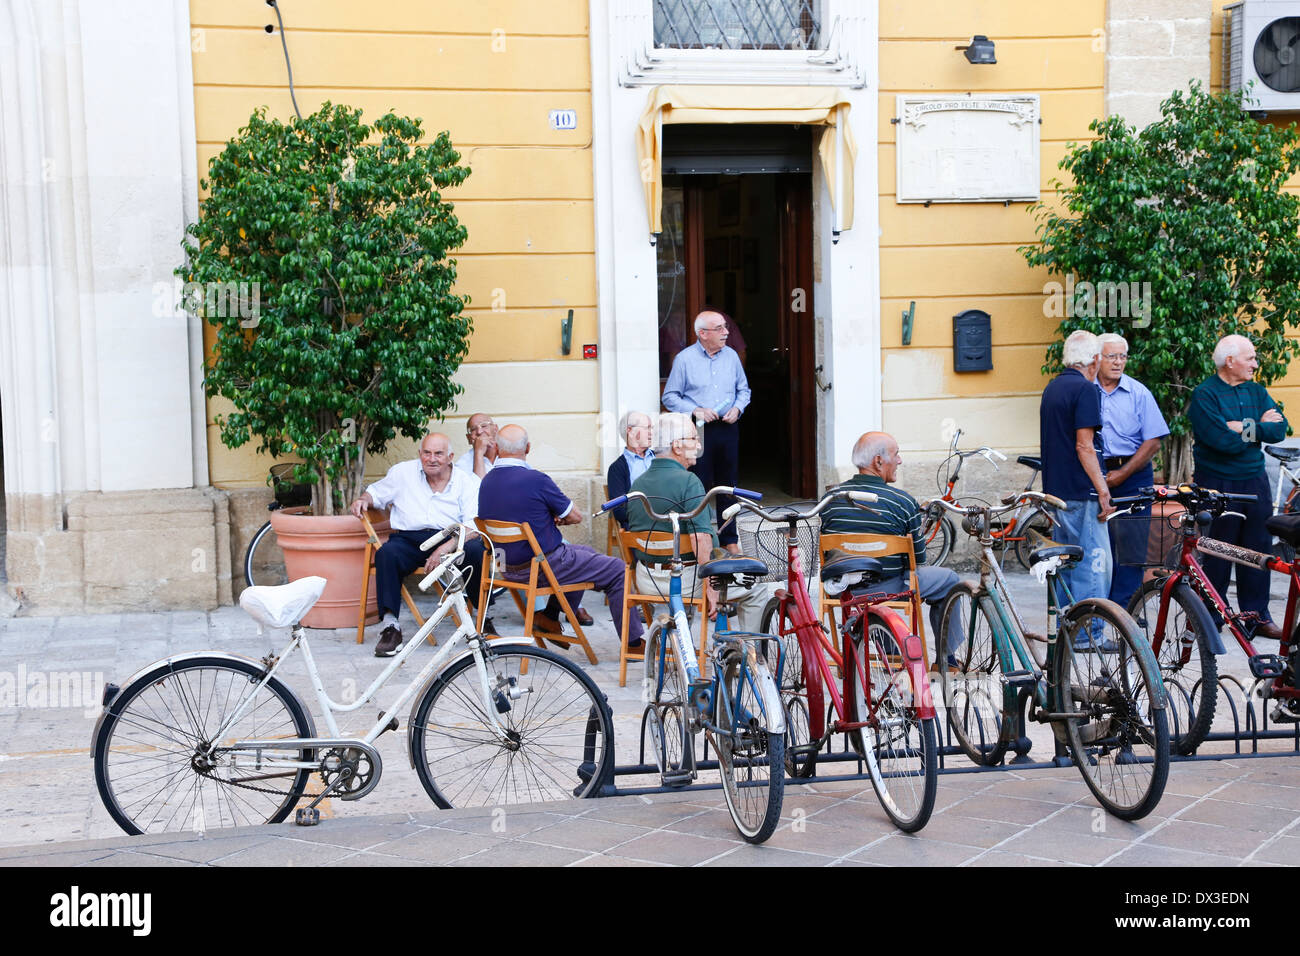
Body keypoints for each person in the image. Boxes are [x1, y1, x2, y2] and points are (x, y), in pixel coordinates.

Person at [477, 424, 644, 649]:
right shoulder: (536, 479)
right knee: (617, 570)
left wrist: (544, 517)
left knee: (586, 554)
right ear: (528, 448)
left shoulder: (486, 482)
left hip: (507, 568)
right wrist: (556, 517)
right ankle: (633, 643)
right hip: (542, 566)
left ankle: (550, 616)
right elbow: (575, 516)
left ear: (496, 448)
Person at [820, 431, 962, 656]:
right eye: (896, 454)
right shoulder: (903, 503)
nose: (899, 460)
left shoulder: (830, 499)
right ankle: (948, 661)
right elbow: (918, 561)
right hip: (890, 590)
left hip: (842, 591)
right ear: (878, 461)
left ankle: (884, 643)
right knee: (950, 581)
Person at [349, 433, 489, 657]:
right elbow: (376, 492)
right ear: (420, 454)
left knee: (476, 551)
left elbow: (474, 525)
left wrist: (444, 548)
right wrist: (364, 499)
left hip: (450, 539)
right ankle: (390, 627)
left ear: (450, 456)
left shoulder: (467, 481)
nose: (431, 459)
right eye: (427, 453)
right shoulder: (403, 473)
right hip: (409, 539)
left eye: (438, 454)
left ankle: (483, 620)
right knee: (387, 553)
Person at [626, 413, 767, 632]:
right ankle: (754, 656)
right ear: (677, 446)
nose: (700, 444)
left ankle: (671, 647)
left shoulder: (638, 483)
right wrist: (711, 584)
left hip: (646, 579)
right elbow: (700, 539)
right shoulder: (689, 482)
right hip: (685, 581)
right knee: (757, 587)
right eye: (694, 438)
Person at [1189, 333, 1289, 640]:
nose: (1255, 364)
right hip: (1218, 483)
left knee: (1257, 549)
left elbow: (1280, 429)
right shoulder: (1205, 395)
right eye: (1250, 358)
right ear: (1229, 361)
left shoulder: (1256, 391)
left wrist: (1243, 427)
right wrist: (1257, 427)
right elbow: (1220, 441)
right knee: (1219, 549)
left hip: (1255, 480)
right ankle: (1212, 618)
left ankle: (1256, 617)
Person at [1040, 330, 1113, 643]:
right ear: (1094, 360)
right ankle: (1088, 634)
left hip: (1057, 492)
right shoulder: (1085, 390)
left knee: (1066, 565)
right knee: (1094, 566)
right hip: (1081, 492)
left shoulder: (1053, 387)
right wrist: (1103, 488)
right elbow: (1085, 446)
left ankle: (1066, 629)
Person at [661, 309, 751, 553]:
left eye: (725, 327)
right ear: (703, 334)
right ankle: (699, 540)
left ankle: (729, 539)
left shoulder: (731, 356)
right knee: (697, 485)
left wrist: (738, 408)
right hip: (697, 430)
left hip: (727, 428)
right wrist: (695, 409)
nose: (726, 332)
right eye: (720, 328)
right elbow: (669, 397)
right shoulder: (684, 359)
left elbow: (744, 390)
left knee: (727, 485)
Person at [1096, 332, 1170, 609]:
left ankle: (1124, 609)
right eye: (1111, 356)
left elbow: (1153, 441)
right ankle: (1096, 608)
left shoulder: (1138, 393)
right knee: (1098, 545)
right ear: (1097, 358)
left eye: (1122, 356)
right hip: (1095, 472)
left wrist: (1122, 474)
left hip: (1133, 474)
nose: (1118, 363)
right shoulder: (1085, 390)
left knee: (1132, 547)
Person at [606, 410, 655, 530]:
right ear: (630, 431)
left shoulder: (660, 457)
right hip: (640, 528)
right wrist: (653, 514)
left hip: (668, 522)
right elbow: (619, 511)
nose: (652, 433)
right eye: (647, 428)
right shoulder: (617, 468)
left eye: (652, 428)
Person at [455, 413, 499, 478]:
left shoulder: (508, 452)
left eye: (484, 426)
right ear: (469, 438)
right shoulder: (462, 464)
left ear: (495, 429)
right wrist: (479, 452)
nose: (479, 431)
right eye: (473, 429)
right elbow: (478, 487)